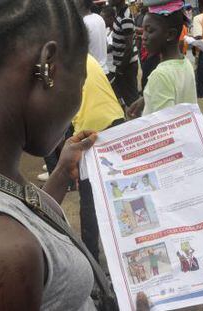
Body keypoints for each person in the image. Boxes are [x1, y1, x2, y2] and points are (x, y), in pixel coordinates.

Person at [0, 0, 100, 309]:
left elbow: (5, 206)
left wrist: (61, 175)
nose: (76, 105)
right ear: (48, 66)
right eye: (80, 82)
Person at [74, 54, 125, 261]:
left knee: (88, 200)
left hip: (89, 131)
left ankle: (92, 260)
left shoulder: (59, 60)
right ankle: (126, 251)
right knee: (118, 193)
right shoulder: (85, 56)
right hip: (116, 120)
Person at [128, 4, 197, 117]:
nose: (143, 37)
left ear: (170, 34)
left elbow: (166, 129)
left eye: (149, 31)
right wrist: (147, 98)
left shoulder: (160, 75)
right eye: (143, 30)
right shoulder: (185, 63)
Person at [111, 0, 139, 106]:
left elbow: (129, 48)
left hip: (127, 66)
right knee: (124, 97)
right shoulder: (120, 14)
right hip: (124, 65)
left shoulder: (125, 18)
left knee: (132, 100)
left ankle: (138, 121)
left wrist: (121, 70)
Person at [76, 0, 109, 74]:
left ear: (81, 2)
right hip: (104, 70)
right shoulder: (99, 18)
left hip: (92, 72)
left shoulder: (83, 23)